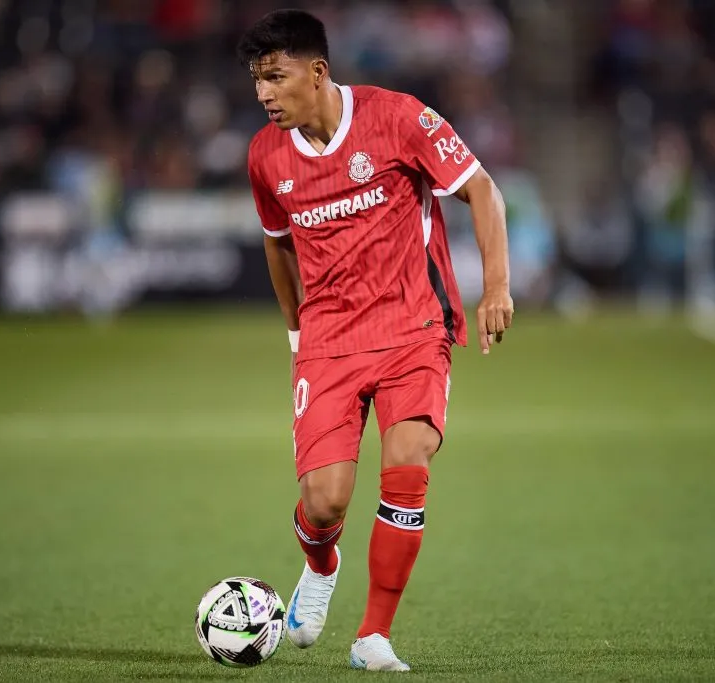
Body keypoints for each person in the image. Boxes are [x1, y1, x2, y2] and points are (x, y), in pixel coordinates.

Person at [237, 9, 513, 672]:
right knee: (324, 500)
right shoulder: (265, 156)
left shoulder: (398, 118)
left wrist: (496, 287)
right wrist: (297, 331)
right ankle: (320, 563)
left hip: (412, 324)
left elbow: (480, 187)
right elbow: (278, 244)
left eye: (275, 77)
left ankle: (373, 635)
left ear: (318, 72)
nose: (264, 94)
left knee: (409, 460)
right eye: (256, 81)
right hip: (329, 338)